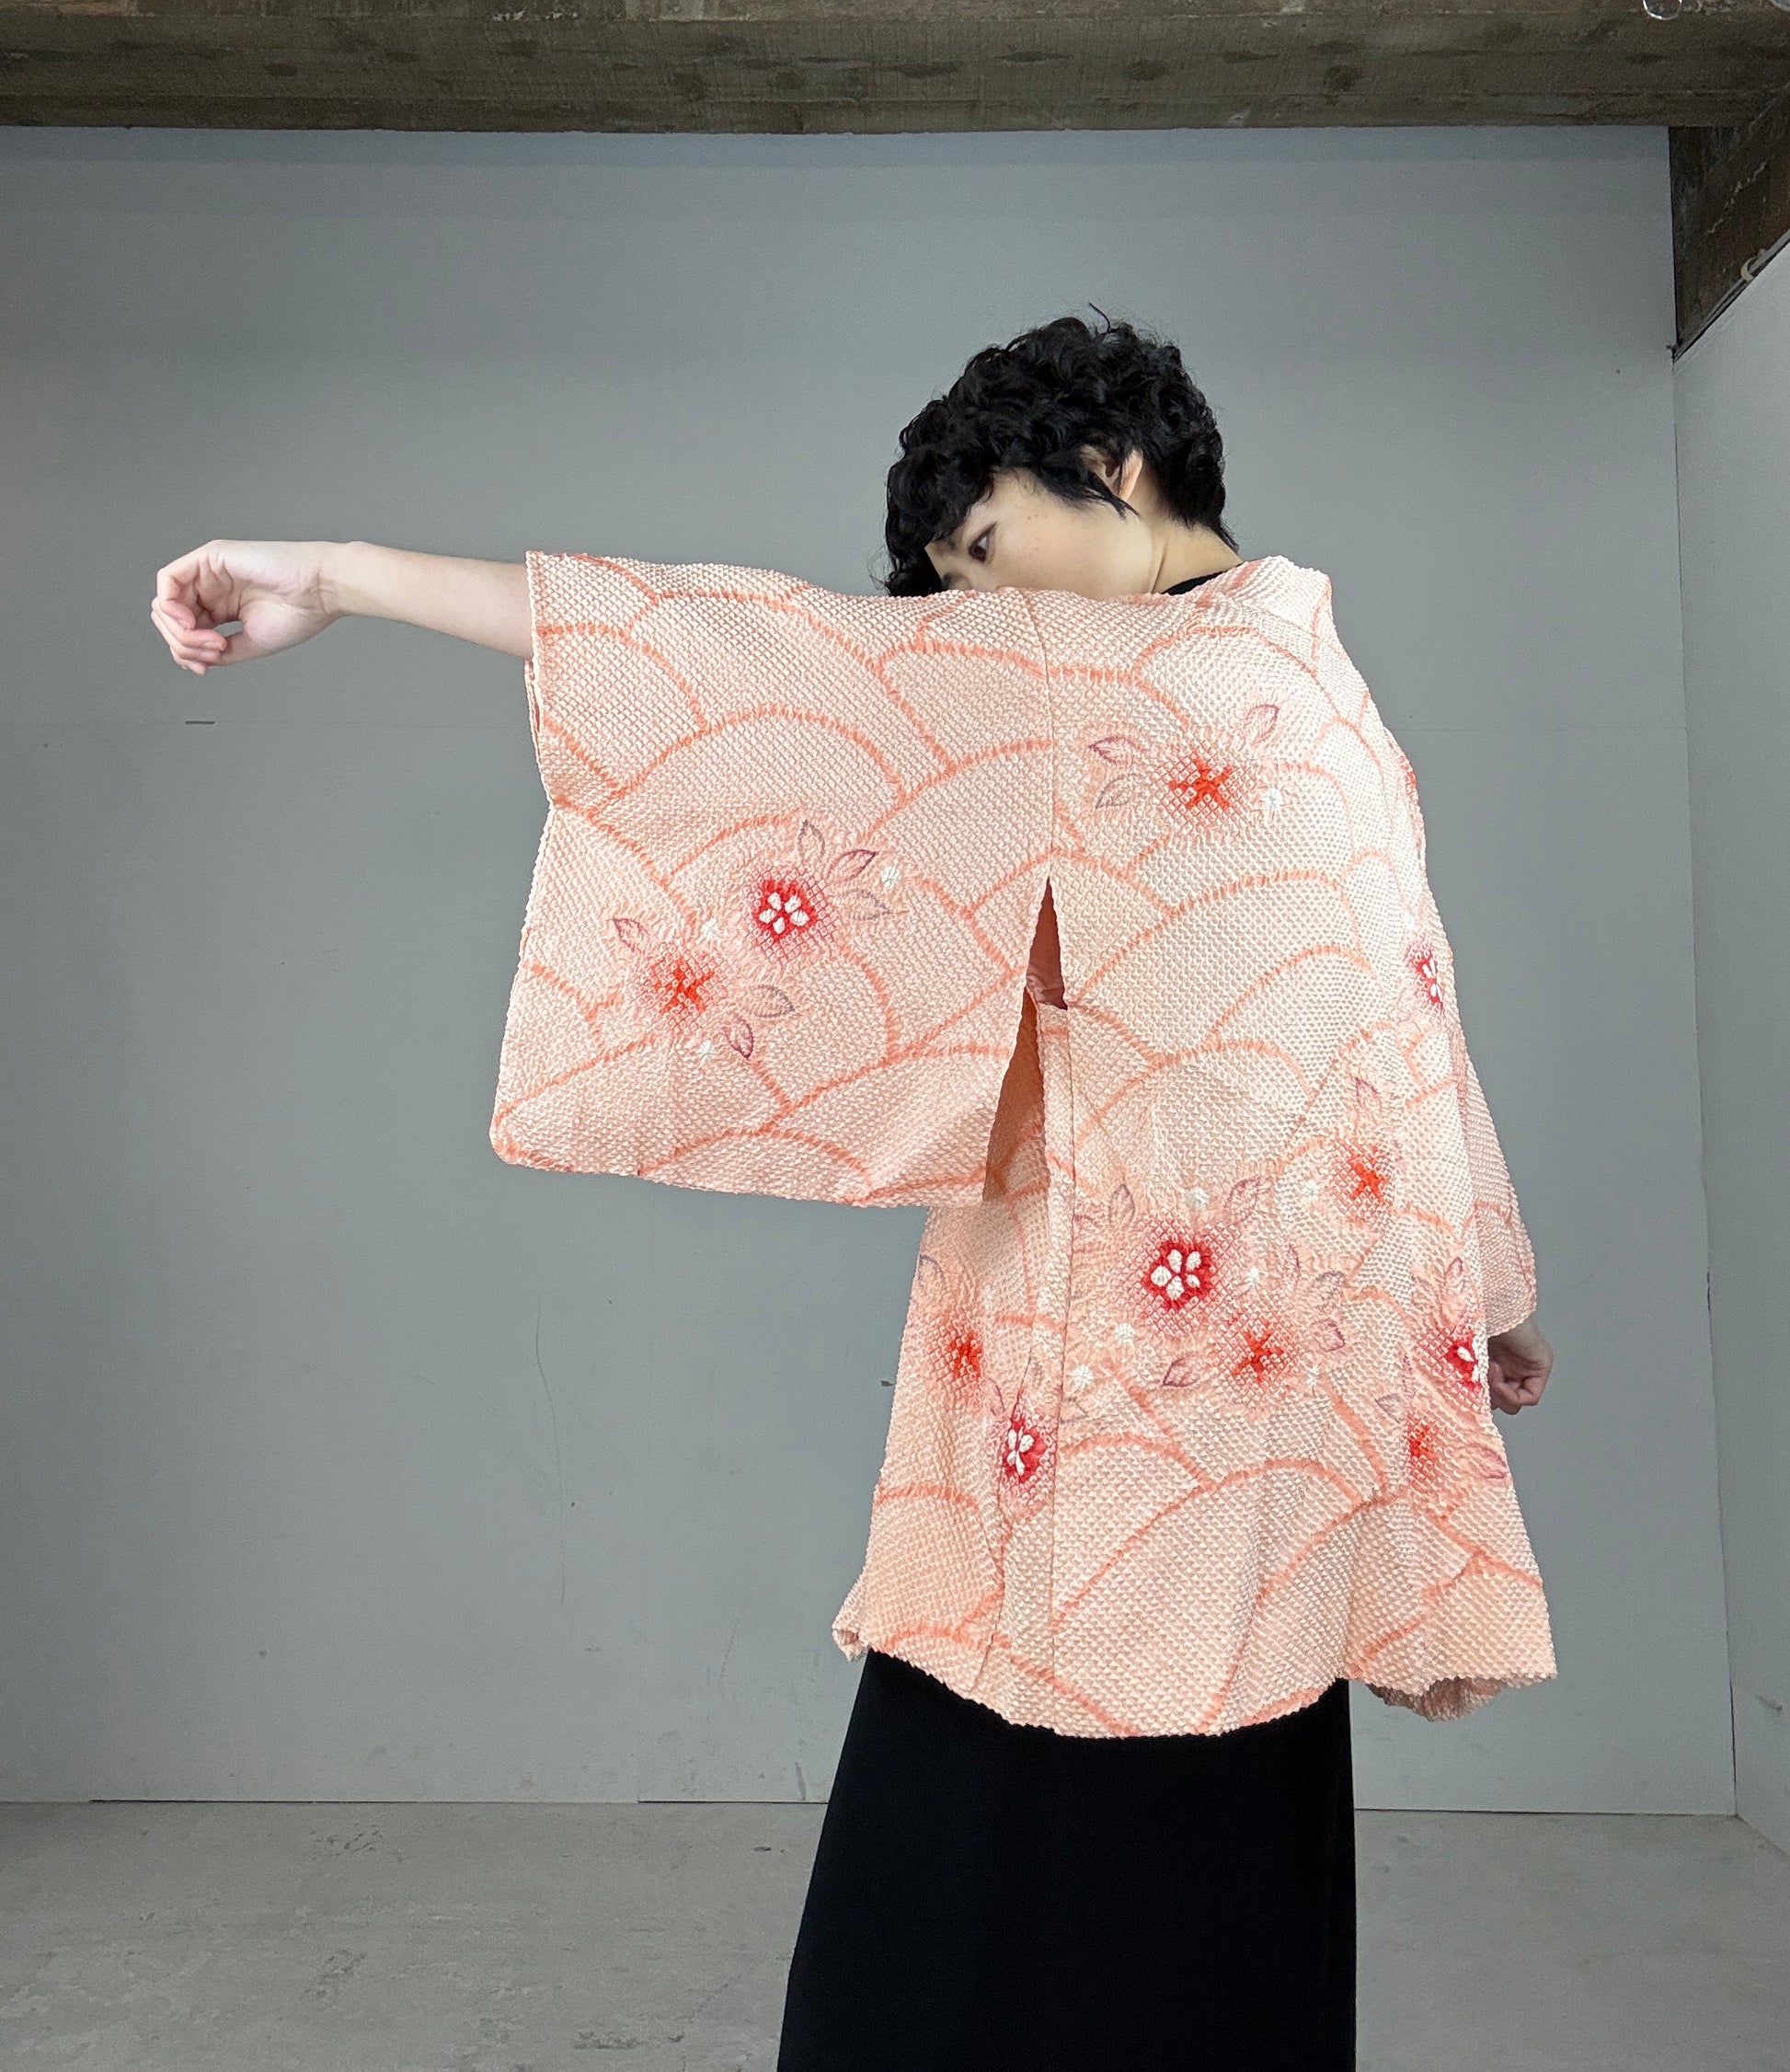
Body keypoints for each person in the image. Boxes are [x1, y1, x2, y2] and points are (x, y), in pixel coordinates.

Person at [150, 311, 1555, 2070]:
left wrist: (1469, 1282)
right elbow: (763, 659)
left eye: (984, 543)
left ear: (1112, 467)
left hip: (1232, 1351)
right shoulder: (1263, 686)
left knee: (1118, 1780)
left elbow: (1397, 1006)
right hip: (1164, 1348)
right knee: (1105, 1760)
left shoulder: (1214, 672)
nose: (969, 602)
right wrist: (350, 577)